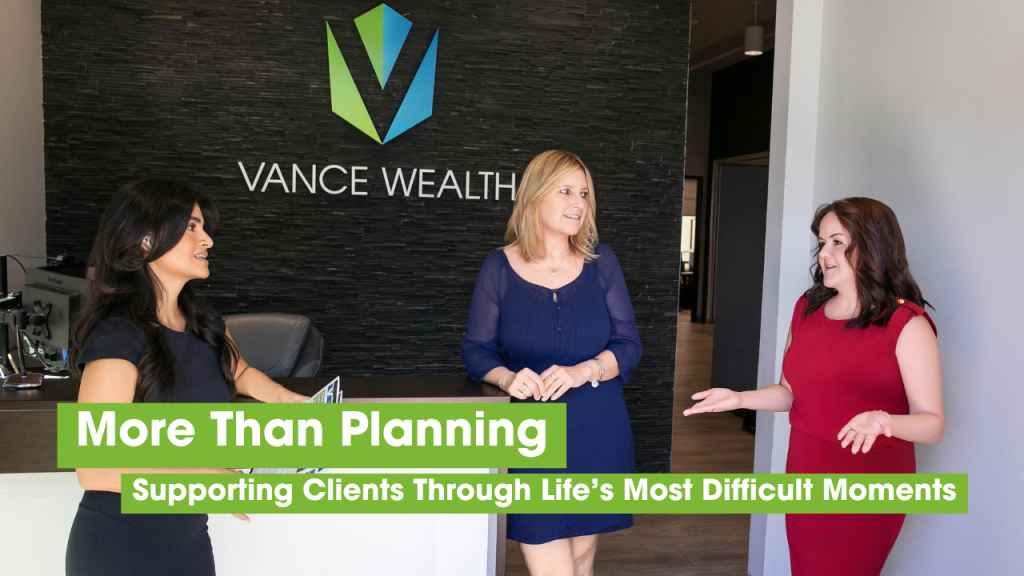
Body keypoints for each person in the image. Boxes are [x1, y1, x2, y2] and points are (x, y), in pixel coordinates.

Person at [684, 197, 945, 576]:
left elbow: (932, 424)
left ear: (872, 244)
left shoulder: (907, 323)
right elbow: (789, 393)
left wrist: (884, 420)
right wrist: (740, 398)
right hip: (805, 472)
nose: (824, 253)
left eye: (837, 241)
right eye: (822, 243)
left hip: (867, 484)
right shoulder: (807, 308)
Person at [65, 179, 309, 576]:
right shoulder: (117, 336)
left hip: (190, 542)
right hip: (120, 550)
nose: (207, 240)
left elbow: (240, 371)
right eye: (192, 227)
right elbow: (95, 469)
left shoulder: (204, 323)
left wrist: (287, 400)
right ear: (145, 241)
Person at [462, 150, 642, 576]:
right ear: (534, 196)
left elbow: (628, 345)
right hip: (531, 438)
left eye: (583, 193)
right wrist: (506, 378)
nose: (578, 202)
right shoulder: (498, 268)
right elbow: (476, 350)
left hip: (597, 428)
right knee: (550, 566)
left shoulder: (602, 263)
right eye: (565, 191)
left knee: (581, 562)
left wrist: (584, 370)